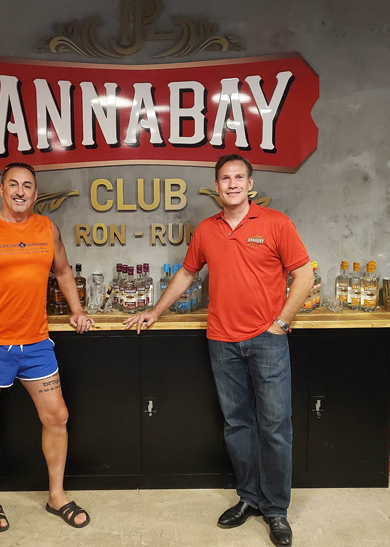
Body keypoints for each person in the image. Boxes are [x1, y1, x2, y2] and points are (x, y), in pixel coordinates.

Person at [124, 154, 313, 547]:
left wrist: (281, 323)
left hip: (267, 340)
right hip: (222, 341)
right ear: (217, 186)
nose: (232, 184)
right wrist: (156, 310)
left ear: (250, 184)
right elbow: (187, 272)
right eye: (225, 178)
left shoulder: (276, 223)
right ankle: (249, 498)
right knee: (237, 424)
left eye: (239, 177)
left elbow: (303, 274)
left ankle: (275, 510)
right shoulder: (207, 230)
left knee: (275, 427)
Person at [0, 162, 94, 533]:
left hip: (36, 343)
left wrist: (77, 310)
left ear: (35, 193)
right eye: (13, 184)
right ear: (1, 189)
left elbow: (63, 271)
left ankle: (56, 495)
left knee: (57, 416)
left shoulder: (47, 228)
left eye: (27, 185)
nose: (20, 191)